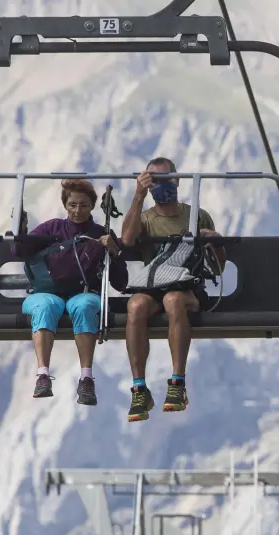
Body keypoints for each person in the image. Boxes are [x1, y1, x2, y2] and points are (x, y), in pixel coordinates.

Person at [118, 156, 225, 422]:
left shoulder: (197, 215)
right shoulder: (145, 219)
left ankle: (177, 383)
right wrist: (138, 196)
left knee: (173, 300)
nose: (160, 186)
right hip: (155, 285)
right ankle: (139, 388)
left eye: (165, 179)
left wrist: (216, 242)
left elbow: (218, 267)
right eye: (153, 181)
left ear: (176, 180)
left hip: (188, 286)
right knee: (136, 305)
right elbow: (127, 240)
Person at [13, 178, 125, 405]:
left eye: (84, 205)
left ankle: (86, 379)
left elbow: (120, 282)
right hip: (47, 294)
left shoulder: (101, 233)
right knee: (44, 306)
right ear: (65, 205)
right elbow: (20, 251)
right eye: (72, 204)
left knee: (84, 306)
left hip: (83, 294)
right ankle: (43, 375)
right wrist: (21, 230)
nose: (77, 210)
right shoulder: (51, 229)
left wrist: (114, 252)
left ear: (92, 206)